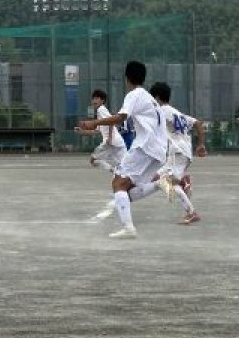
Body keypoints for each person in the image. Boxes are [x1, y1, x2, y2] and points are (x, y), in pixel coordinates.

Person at [76, 60, 167, 239]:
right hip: (159, 150)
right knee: (129, 189)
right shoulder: (150, 98)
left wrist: (93, 122)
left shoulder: (134, 94)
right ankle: (160, 184)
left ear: (127, 78)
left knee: (118, 183)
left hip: (145, 146)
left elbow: (120, 117)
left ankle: (128, 228)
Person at [150, 80, 207, 225]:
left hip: (177, 152)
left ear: (156, 98)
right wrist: (200, 144)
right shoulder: (177, 113)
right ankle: (183, 181)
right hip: (184, 153)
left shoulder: (162, 111)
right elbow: (198, 124)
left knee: (162, 179)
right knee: (163, 179)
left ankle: (191, 212)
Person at [75, 89, 125, 180]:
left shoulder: (101, 109)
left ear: (102, 100)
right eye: (93, 98)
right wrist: (82, 131)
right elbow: (97, 131)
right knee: (127, 166)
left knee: (94, 160)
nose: (94, 100)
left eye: (97, 98)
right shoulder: (100, 114)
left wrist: (109, 138)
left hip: (110, 142)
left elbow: (111, 121)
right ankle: (118, 173)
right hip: (117, 142)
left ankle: (115, 172)